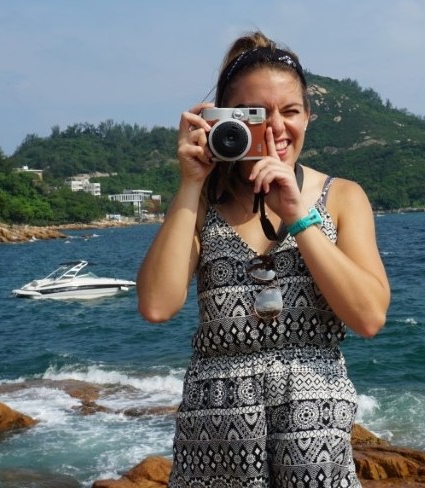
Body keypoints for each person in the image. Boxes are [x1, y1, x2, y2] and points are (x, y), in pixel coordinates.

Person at [137, 31, 390, 487]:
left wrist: (297, 215)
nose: (276, 128)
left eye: (290, 111)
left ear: (309, 117)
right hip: (214, 440)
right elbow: (157, 305)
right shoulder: (200, 205)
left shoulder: (343, 198)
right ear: (222, 121)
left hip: (315, 439)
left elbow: (369, 317)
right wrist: (191, 183)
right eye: (256, 115)